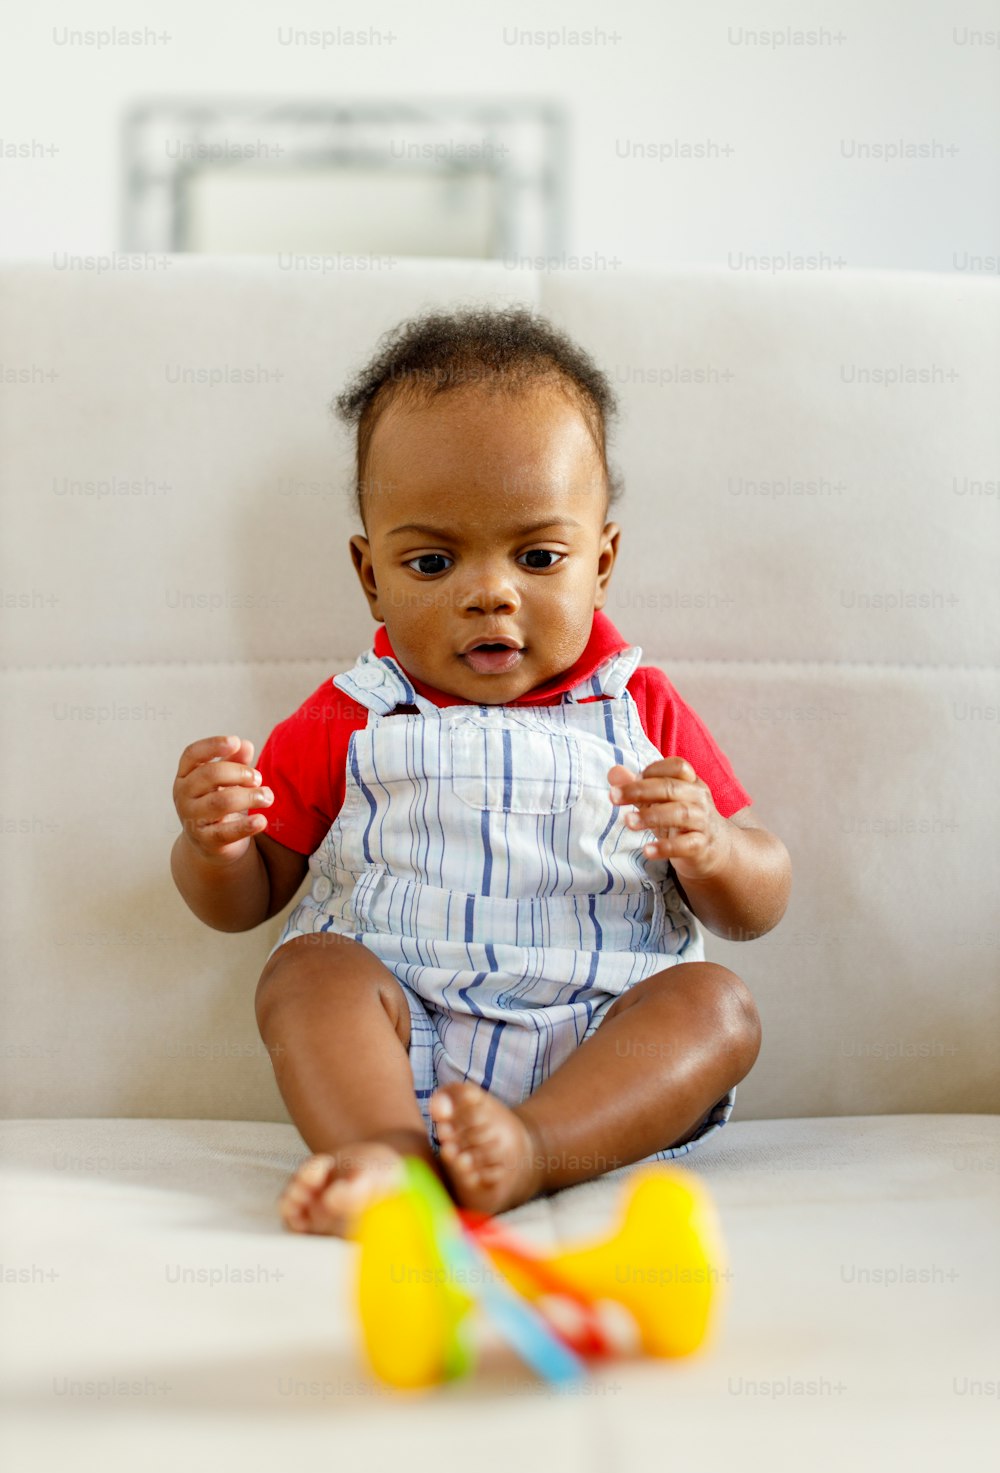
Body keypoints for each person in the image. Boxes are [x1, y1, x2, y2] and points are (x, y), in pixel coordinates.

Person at [170, 305, 791, 1237]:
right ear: (371, 575)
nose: (490, 592)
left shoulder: (638, 704)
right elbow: (243, 903)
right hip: (400, 1028)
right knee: (305, 972)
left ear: (603, 564)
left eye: (539, 557)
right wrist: (212, 845)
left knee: (718, 1007)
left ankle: (536, 1150)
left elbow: (757, 904)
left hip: (605, 1038)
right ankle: (387, 1155)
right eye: (432, 561)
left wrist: (712, 850)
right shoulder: (354, 711)